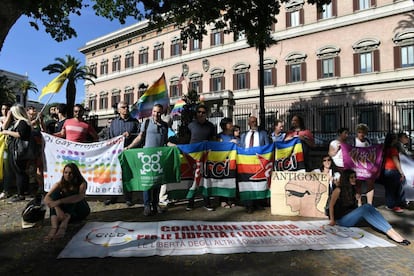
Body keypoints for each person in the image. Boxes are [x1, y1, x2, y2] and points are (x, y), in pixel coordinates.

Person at [328, 169, 410, 246]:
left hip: (350, 216)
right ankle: (392, 234)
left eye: (355, 177)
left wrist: (358, 199)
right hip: (342, 220)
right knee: (366, 207)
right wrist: (332, 220)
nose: (354, 179)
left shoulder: (353, 189)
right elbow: (331, 205)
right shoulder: (338, 190)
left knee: (369, 207)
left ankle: (393, 232)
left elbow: (358, 206)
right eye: (351, 177)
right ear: (346, 179)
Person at [127, 104, 172, 216]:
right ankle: (147, 206)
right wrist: (129, 147)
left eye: (159, 112)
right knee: (147, 182)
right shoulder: (146, 123)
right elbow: (140, 137)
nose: (156, 114)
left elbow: (166, 142)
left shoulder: (165, 126)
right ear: (152, 111)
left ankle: (155, 204)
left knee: (157, 182)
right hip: (147, 157)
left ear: (162, 113)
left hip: (158, 158)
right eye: (155, 111)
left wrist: (176, 146)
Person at [43, 163, 90, 242]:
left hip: (78, 210)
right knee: (54, 195)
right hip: (62, 214)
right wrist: (57, 207)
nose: (68, 175)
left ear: (75, 174)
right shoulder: (60, 183)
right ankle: (54, 227)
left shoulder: (82, 183)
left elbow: (79, 197)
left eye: (71, 173)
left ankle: (63, 226)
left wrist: (59, 201)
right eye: (66, 172)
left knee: (73, 197)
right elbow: (47, 198)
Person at [105, 101, 140, 206]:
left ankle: (128, 198)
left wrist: (131, 135)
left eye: (127, 107)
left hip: (129, 152)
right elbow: (110, 137)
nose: (126, 109)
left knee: (128, 175)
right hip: (116, 154)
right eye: (123, 107)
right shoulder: (114, 123)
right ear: (119, 110)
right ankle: (113, 196)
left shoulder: (135, 122)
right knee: (114, 175)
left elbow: (140, 135)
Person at [186, 105, 217, 211]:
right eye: (199, 112)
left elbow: (214, 140)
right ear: (196, 113)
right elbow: (184, 139)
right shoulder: (190, 125)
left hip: (205, 156)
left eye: (203, 112)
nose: (201, 114)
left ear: (206, 114)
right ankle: (190, 202)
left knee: (205, 180)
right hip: (192, 157)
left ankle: (207, 202)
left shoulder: (211, 126)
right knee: (193, 180)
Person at [0, 104, 32, 202]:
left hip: (19, 151)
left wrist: (7, 132)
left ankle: (20, 194)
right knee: (20, 172)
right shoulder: (21, 122)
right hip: (17, 150)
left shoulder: (22, 122)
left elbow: (20, 134)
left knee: (19, 172)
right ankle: (23, 191)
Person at [240, 116, 271, 213]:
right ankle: (249, 205)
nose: (254, 123)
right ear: (248, 123)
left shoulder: (262, 134)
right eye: (252, 122)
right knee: (247, 183)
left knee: (258, 182)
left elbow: (267, 146)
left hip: (259, 162)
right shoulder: (243, 135)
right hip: (246, 163)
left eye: (255, 121)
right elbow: (241, 147)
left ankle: (258, 203)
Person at [383, 133, 406, 213]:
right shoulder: (393, 149)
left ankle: (390, 204)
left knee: (389, 189)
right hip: (393, 170)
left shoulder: (385, 148)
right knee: (396, 189)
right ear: (393, 140)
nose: (397, 140)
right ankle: (393, 205)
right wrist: (401, 172)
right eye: (395, 138)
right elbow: (396, 161)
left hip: (386, 170)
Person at [352, 123, 375, 206]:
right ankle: (359, 203)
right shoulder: (353, 141)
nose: (361, 134)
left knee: (370, 184)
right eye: (359, 132)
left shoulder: (368, 141)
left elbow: (373, 152)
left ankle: (370, 204)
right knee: (358, 185)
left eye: (363, 132)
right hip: (357, 167)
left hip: (367, 166)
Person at [217, 117, 237, 208]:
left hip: (232, 162)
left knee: (232, 180)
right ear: (225, 125)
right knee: (223, 181)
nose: (232, 125)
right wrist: (229, 143)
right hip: (223, 162)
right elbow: (218, 148)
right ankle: (223, 200)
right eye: (230, 123)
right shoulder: (219, 136)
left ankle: (231, 199)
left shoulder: (233, 136)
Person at [0, 103, 12, 199]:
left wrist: (8, 117)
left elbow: (4, 127)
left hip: (6, 147)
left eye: (7, 109)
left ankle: (6, 189)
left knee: (6, 168)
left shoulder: (12, 121)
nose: (4, 111)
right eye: (3, 109)